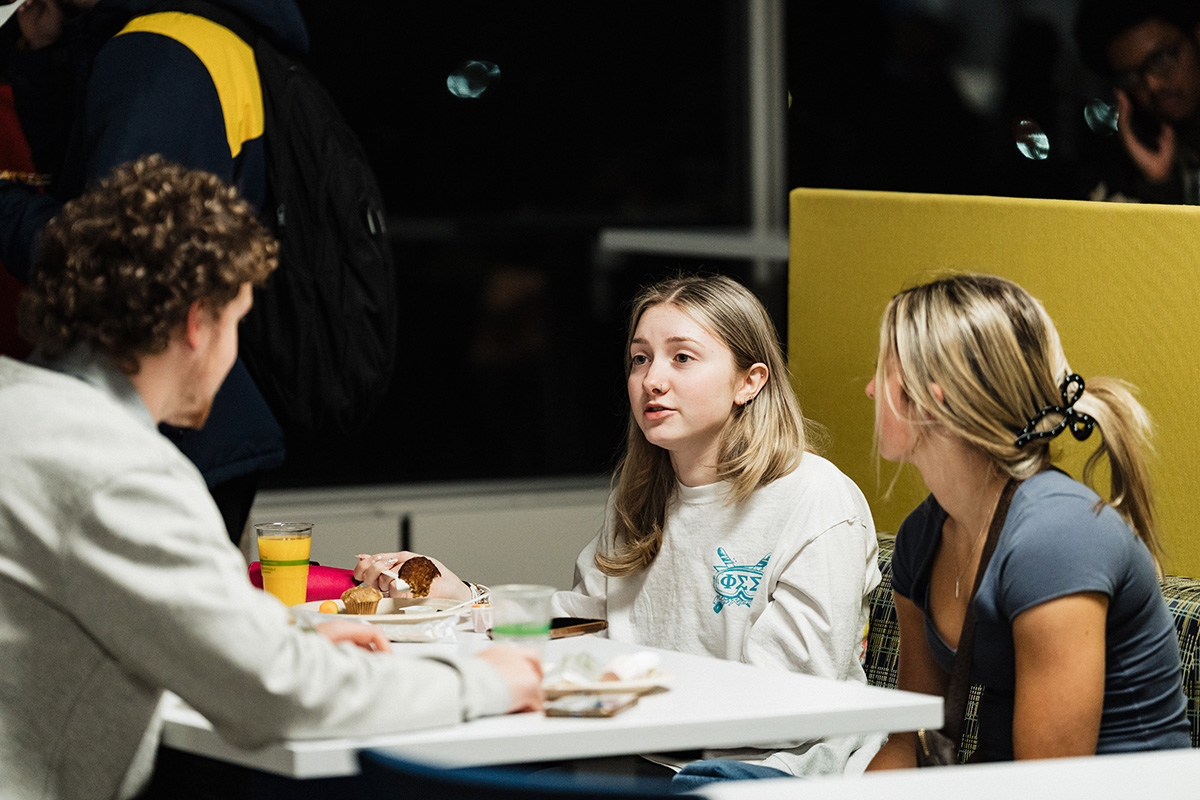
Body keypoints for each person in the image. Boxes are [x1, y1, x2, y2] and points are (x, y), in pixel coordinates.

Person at [0, 155, 543, 800]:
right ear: (197, 323)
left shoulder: (20, 406)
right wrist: (485, 682)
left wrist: (282, 636)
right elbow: (276, 693)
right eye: (238, 322)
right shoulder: (115, 468)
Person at [357, 274, 884, 785]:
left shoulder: (814, 499)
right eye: (640, 358)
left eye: (682, 357)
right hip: (639, 749)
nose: (652, 379)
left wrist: (611, 695)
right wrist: (465, 600)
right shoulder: (642, 494)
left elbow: (789, 698)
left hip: (765, 766)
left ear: (750, 381)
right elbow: (591, 627)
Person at [0, 0, 313, 544]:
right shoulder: (202, 32)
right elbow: (93, 188)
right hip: (195, 412)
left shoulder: (159, 51)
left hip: (166, 422)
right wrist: (47, 56)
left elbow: (116, 261)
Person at [865, 273, 1190, 768]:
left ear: (932, 398)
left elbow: (1048, 785)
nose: (870, 390)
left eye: (882, 369)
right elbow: (911, 742)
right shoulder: (922, 536)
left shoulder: (1056, 537)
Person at [1075, 0, 1200, 204]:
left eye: (1161, 58)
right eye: (1130, 76)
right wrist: (1160, 185)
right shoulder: (1134, 159)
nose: (1151, 84)